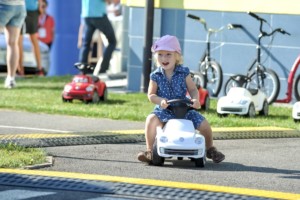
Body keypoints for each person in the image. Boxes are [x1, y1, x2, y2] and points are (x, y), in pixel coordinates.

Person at [137, 35, 225, 164]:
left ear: (176, 56)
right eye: (160, 54)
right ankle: (150, 151)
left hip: (184, 109)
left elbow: (193, 89)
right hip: (165, 109)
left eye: (168, 54)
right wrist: (160, 100)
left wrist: (195, 100)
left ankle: (210, 149)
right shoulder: (155, 75)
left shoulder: (183, 73)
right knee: (151, 120)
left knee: (204, 124)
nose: (164, 58)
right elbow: (151, 95)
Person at [79, 0, 116, 74]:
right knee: (112, 41)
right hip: (98, 14)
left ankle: (83, 70)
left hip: (86, 14)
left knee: (86, 43)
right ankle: (103, 68)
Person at [0, 0, 26, 88]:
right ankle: (10, 79)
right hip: (19, 6)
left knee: (12, 43)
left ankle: (10, 79)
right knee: (13, 43)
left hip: (3, 5)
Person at [18, 0, 44, 76]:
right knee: (19, 41)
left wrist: (40, 5)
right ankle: (20, 69)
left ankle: (39, 68)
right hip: (20, 9)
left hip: (31, 10)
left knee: (33, 39)